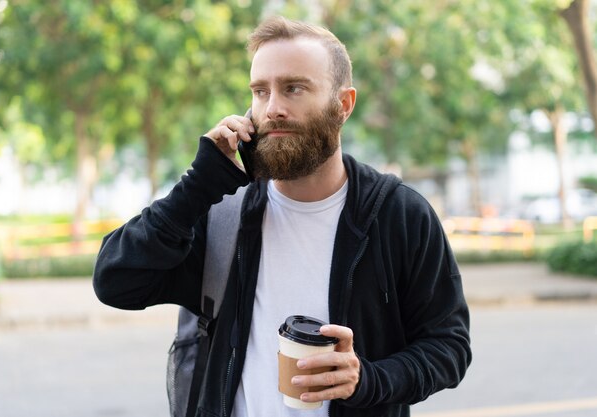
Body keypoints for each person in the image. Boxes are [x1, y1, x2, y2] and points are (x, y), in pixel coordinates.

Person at [93, 16, 471, 417]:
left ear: (343, 105)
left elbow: (448, 347)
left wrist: (367, 380)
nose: (272, 109)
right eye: (260, 91)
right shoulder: (222, 215)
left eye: (293, 88)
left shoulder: (400, 215)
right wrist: (198, 185)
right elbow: (115, 281)